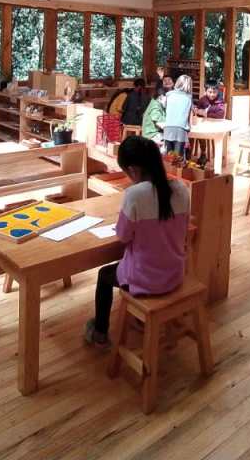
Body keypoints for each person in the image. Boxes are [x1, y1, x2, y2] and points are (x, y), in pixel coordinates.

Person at [84, 136, 190, 348]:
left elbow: (123, 236)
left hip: (145, 279)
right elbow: (181, 229)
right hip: (174, 273)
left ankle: (100, 333)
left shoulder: (135, 195)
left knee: (104, 275)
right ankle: (141, 320)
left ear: (132, 170)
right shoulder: (181, 189)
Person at [163, 74, 194, 158]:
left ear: (177, 83)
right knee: (178, 159)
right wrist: (189, 130)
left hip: (168, 128)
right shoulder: (189, 97)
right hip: (180, 129)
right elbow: (190, 116)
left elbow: (166, 109)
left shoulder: (168, 94)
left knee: (169, 158)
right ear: (189, 86)